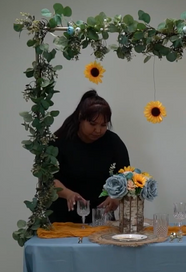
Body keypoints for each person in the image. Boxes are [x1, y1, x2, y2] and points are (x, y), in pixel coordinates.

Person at [49, 90, 130, 223]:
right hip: (64, 218)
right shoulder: (60, 141)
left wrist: (116, 197)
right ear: (81, 117)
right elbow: (48, 179)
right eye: (92, 124)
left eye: (103, 125)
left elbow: (126, 175)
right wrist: (68, 194)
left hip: (102, 217)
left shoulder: (113, 142)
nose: (98, 130)